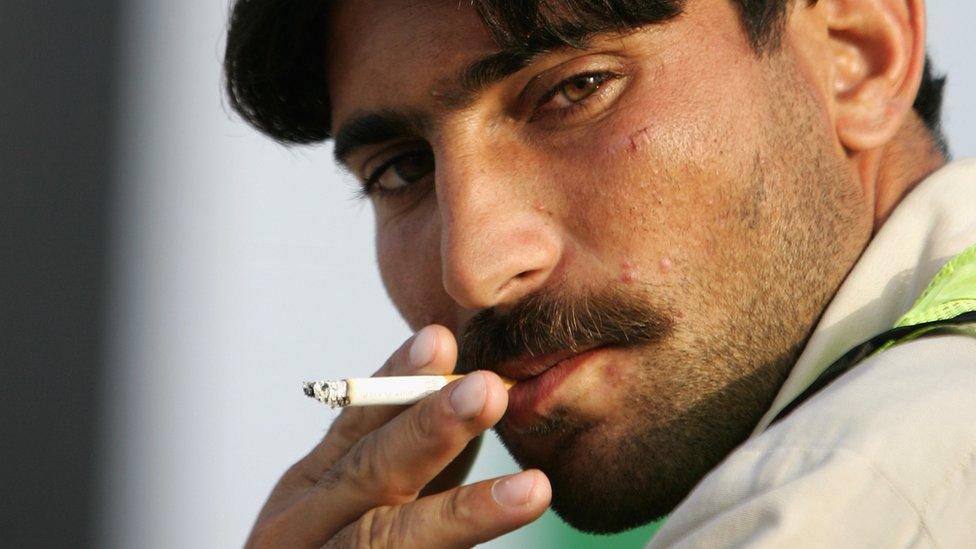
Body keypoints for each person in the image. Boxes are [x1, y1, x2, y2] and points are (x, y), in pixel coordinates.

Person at [223, 0, 976, 546]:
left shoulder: (837, 500)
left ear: (859, 57)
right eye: (401, 170)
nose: (475, 271)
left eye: (575, 89)